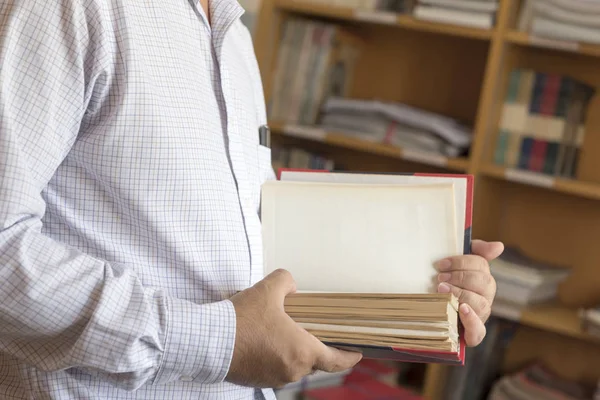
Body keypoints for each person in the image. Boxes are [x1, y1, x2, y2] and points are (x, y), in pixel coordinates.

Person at [0, 0, 503, 399]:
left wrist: (426, 286)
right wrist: (218, 342)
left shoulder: (234, 37)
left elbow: (253, 251)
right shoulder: (64, 7)